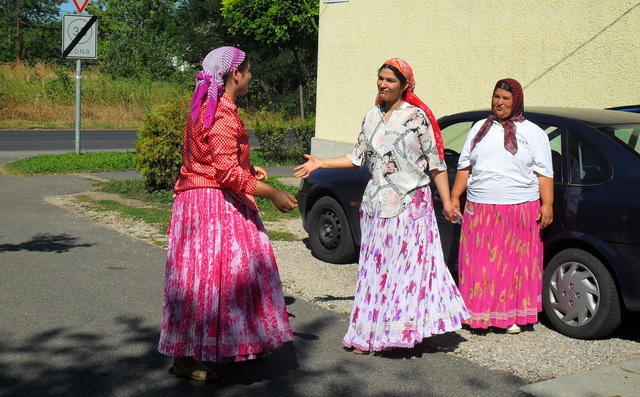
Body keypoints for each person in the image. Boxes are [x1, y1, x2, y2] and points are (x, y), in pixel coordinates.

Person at [294, 58, 469, 354]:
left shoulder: (417, 118)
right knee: (377, 271)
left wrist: (450, 201)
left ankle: (403, 331)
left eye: (390, 80)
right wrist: (321, 162)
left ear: (404, 85)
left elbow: (437, 165)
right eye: (380, 78)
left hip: (411, 206)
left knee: (407, 272)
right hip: (376, 205)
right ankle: (370, 332)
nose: (383, 84)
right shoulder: (371, 116)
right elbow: (356, 157)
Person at [157, 46, 297, 381]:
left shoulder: (207, 106)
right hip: (211, 205)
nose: (250, 76)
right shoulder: (220, 111)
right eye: (248, 71)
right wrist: (273, 192)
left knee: (205, 282)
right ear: (236, 75)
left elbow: (220, 158)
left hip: (197, 200)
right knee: (220, 280)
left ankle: (234, 346)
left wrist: (250, 168)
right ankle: (189, 360)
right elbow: (228, 174)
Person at [449, 78, 554, 334]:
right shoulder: (478, 130)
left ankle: (513, 317)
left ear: (516, 101)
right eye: (497, 96)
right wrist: (454, 198)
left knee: (514, 265)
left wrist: (548, 204)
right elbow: (464, 167)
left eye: (506, 98)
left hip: (520, 207)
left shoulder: (533, 133)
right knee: (479, 264)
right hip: (480, 207)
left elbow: (544, 173)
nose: (499, 102)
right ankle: (478, 315)